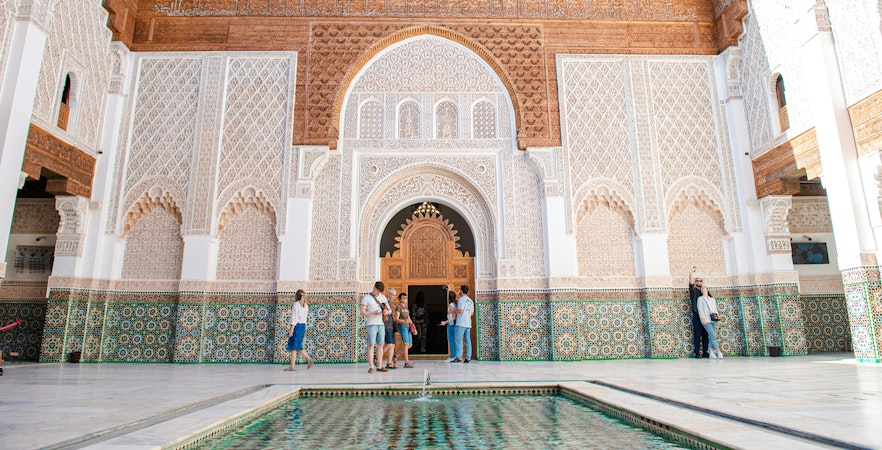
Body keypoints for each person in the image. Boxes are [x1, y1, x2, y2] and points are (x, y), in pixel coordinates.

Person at [360, 281, 390, 373]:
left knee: (380, 344)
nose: (378, 293)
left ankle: (380, 365)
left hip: (380, 324)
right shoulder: (367, 297)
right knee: (371, 345)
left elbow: (389, 310)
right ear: (374, 288)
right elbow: (362, 312)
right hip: (371, 324)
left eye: (379, 291)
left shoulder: (382, 297)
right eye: (377, 290)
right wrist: (373, 313)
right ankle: (371, 366)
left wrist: (386, 312)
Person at [285, 289, 314, 371]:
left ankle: (307, 359)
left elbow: (294, 319)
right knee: (296, 346)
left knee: (295, 346)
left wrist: (291, 330)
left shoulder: (296, 305)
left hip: (297, 326)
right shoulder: (306, 306)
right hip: (303, 326)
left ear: (296, 296)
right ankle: (293, 366)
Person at [688, 266, 710, 358]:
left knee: (705, 334)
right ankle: (697, 352)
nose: (698, 282)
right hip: (697, 314)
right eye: (696, 281)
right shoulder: (694, 291)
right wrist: (691, 273)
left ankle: (705, 352)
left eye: (700, 281)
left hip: (706, 316)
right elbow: (690, 283)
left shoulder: (705, 293)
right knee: (697, 334)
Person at [697, 285, 723, 359]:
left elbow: (715, 309)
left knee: (712, 335)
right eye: (702, 288)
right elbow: (700, 309)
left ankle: (711, 351)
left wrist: (717, 318)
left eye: (704, 288)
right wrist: (702, 318)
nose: (703, 289)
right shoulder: (700, 299)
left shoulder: (712, 299)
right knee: (712, 335)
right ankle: (718, 351)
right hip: (706, 319)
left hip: (713, 319)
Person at [453, 285, 474, 363]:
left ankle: (459, 357)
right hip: (468, 323)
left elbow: (460, 311)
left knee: (458, 340)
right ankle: (468, 357)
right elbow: (471, 313)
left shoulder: (461, 300)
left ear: (461, 291)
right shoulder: (470, 301)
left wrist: (453, 312)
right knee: (467, 340)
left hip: (461, 323)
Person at [394, 292, 415, 368]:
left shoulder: (406, 308)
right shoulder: (398, 307)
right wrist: (403, 322)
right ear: (399, 299)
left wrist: (413, 326)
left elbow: (408, 318)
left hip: (408, 327)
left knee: (409, 345)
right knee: (406, 344)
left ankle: (396, 355)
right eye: (403, 298)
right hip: (403, 327)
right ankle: (406, 362)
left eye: (406, 298)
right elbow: (396, 318)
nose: (405, 299)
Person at [440, 289, 458, 361]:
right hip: (454, 324)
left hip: (451, 324)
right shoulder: (455, 304)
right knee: (453, 340)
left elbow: (453, 317)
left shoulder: (451, 305)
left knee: (451, 340)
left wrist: (445, 322)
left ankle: (452, 356)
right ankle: (454, 356)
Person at [383, 287, 398, 369]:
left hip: (392, 326)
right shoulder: (385, 303)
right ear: (388, 294)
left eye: (395, 295)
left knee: (392, 345)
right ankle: (377, 357)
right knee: (389, 344)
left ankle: (389, 363)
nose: (394, 297)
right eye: (393, 295)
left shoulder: (391, 303)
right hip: (387, 326)